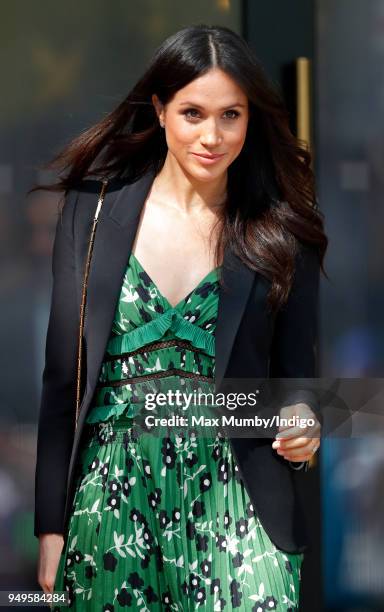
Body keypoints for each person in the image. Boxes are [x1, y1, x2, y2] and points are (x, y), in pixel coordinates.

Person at [32, 24, 327, 611]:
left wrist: (306, 421)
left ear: (251, 120)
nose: (212, 136)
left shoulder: (282, 227)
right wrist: (51, 526)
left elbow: (299, 382)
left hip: (240, 500)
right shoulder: (91, 214)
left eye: (231, 116)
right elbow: (62, 380)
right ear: (161, 109)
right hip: (110, 497)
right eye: (193, 113)